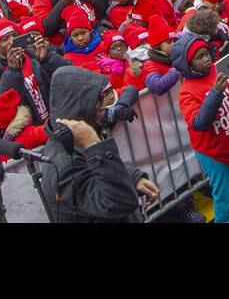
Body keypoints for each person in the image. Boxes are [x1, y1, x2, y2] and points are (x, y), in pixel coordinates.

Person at [38, 65, 157, 223]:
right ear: (79, 106)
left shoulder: (74, 141)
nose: (102, 108)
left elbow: (97, 174)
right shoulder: (64, 163)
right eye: (97, 102)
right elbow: (119, 203)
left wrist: (133, 178)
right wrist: (95, 145)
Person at [172, 34, 229, 224]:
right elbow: (199, 122)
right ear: (187, 65)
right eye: (199, 57)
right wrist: (216, 92)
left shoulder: (216, 71)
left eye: (206, 53)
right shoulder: (187, 91)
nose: (206, 59)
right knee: (225, 199)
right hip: (213, 152)